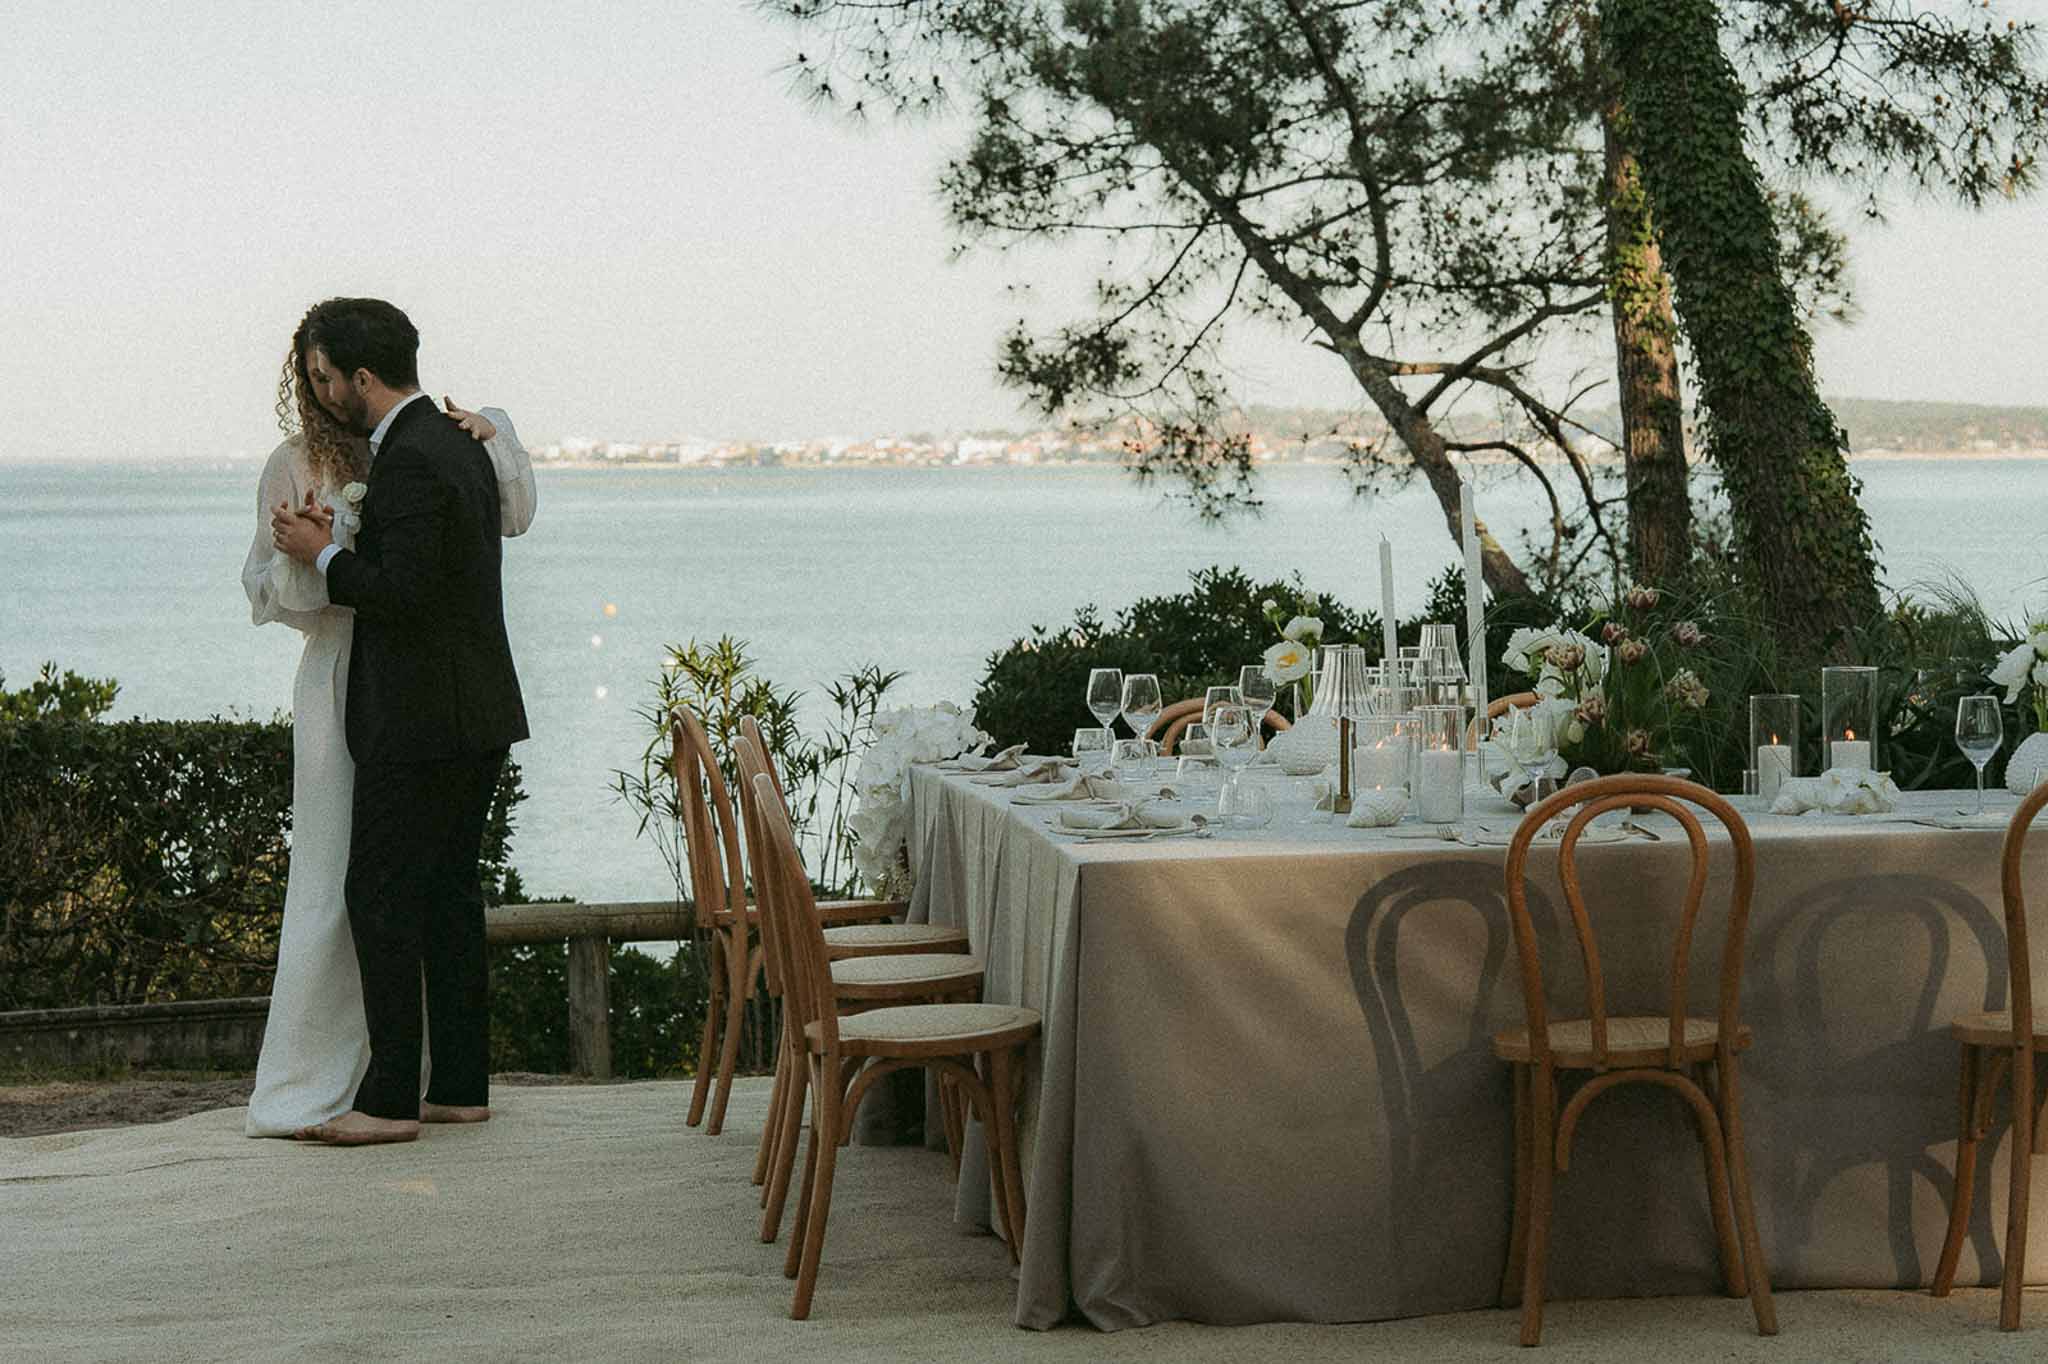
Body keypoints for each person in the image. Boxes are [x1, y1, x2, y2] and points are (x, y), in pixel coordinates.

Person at [254, 297, 531, 1145]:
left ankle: (385, 1102)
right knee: (449, 896)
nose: (324, 392)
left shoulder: (409, 458)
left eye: (330, 377)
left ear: (362, 377)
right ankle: (457, 1086)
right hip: (477, 710)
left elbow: (404, 595)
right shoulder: (462, 443)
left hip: (418, 719)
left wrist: (324, 554)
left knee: (377, 895)